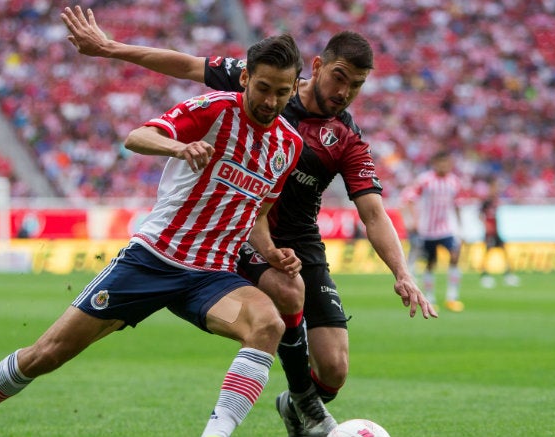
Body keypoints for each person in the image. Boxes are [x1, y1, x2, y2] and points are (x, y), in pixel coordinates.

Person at [61, 6, 437, 437]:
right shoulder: (267, 81)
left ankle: (299, 402)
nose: (345, 91)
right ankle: (306, 406)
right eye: (339, 77)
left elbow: (373, 213)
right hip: (240, 229)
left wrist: (402, 272)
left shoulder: (347, 140)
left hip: (299, 237)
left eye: (357, 85)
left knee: (334, 368)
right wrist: (109, 47)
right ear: (316, 67)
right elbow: (185, 64)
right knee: (285, 289)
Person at [0, 33, 305, 437]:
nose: (270, 101)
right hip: (153, 260)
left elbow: (256, 211)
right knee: (47, 354)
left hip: (212, 277)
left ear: (293, 88)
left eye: (281, 92)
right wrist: (178, 148)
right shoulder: (213, 110)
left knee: (268, 325)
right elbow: (136, 136)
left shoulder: (288, 144)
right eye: (262, 88)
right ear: (244, 78)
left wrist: (272, 251)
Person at [403, 150, 465, 312]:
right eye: (441, 163)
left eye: (447, 163)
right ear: (435, 164)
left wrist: (460, 228)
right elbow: (409, 199)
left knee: (454, 255)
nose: (444, 166)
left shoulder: (454, 182)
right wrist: (415, 220)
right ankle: (430, 297)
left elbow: (457, 205)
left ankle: (452, 297)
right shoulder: (425, 180)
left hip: (446, 229)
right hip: (428, 230)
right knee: (431, 263)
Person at [479, 176, 519, 288]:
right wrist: (486, 226)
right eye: (494, 187)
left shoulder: (495, 201)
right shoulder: (486, 202)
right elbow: (480, 215)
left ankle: (508, 274)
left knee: (503, 251)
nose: (496, 189)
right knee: (488, 253)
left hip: (496, 231)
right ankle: (485, 275)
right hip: (489, 232)